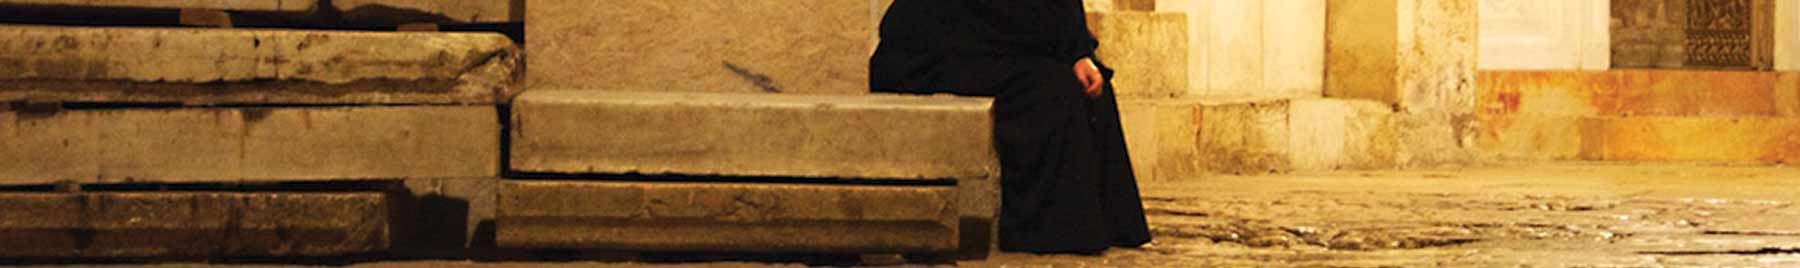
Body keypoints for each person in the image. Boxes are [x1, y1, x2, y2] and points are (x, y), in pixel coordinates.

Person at [869, 0, 1153, 254]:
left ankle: (1111, 224)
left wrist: (1078, 53)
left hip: (998, 44)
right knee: (1052, 90)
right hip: (936, 54)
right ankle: (1049, 230)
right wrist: (1066, 50)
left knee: (1092, 88)